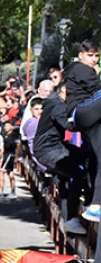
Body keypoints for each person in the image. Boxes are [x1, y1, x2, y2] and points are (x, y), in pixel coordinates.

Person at [33, 83, 89, 235]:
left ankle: (87, 194)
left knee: (85, 156)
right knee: (76, 174)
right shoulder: (58, 106)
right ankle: (71, 219)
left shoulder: (54, 102)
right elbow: (68, 125)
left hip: (56, 146)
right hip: (48, 150)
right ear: (65, 91)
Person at [63, 40, 101, 221]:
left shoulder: (80, 70)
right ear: (81, 55)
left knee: (98, 157)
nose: (94, 59)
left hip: (88, 118)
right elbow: (96, 89)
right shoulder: (80, 68)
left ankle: (94, 204)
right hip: (81, 110)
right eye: (90, 55)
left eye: (96, 56)